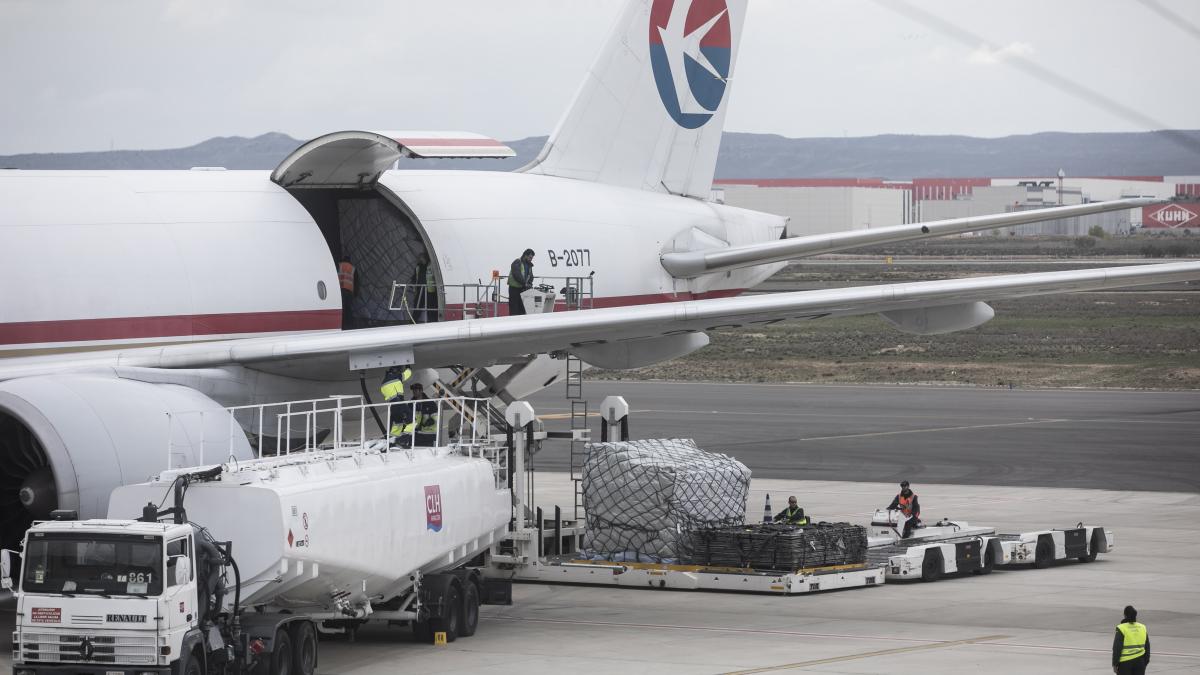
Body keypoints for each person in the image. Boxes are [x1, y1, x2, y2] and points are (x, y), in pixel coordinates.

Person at [1113, 605, 1149, 674]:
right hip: (1140, 662)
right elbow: (1147, 647)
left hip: (1125, 664)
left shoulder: (1121, 628)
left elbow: (1117, 648)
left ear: (1125, 615)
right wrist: (1145, 662)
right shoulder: (1142, 627)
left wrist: (1115, 664)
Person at [411, 252, 438, 324]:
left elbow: (436, 277)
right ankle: (413, 322)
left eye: (420, 258)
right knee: (417, 307)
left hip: (430, 291)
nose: (419, 259)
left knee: (430, 308)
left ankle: (432, 322)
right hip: (420, 290)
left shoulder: (431, 266)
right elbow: (414, 277)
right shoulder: (418, 267)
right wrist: (413, 285)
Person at [507, 248, 535, 316]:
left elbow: (530, 276)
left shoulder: (529, 265)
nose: (531, 259)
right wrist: (525, 284)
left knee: (522, 309)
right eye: (530, 257)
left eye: (532, 258)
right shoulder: (517, 262)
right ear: (525, 255)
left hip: (523, 289)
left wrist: (530, 284)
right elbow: (517, 274)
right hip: (514, 289)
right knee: (514, 309)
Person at [337, 255, 357, 329]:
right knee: (348, 308)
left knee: (341, 308)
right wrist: (355, 293)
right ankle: (349, 324)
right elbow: (356, 282)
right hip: (349, 291)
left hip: (340, 290)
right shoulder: (353, 268)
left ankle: (341, 324)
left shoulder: (339, 266)